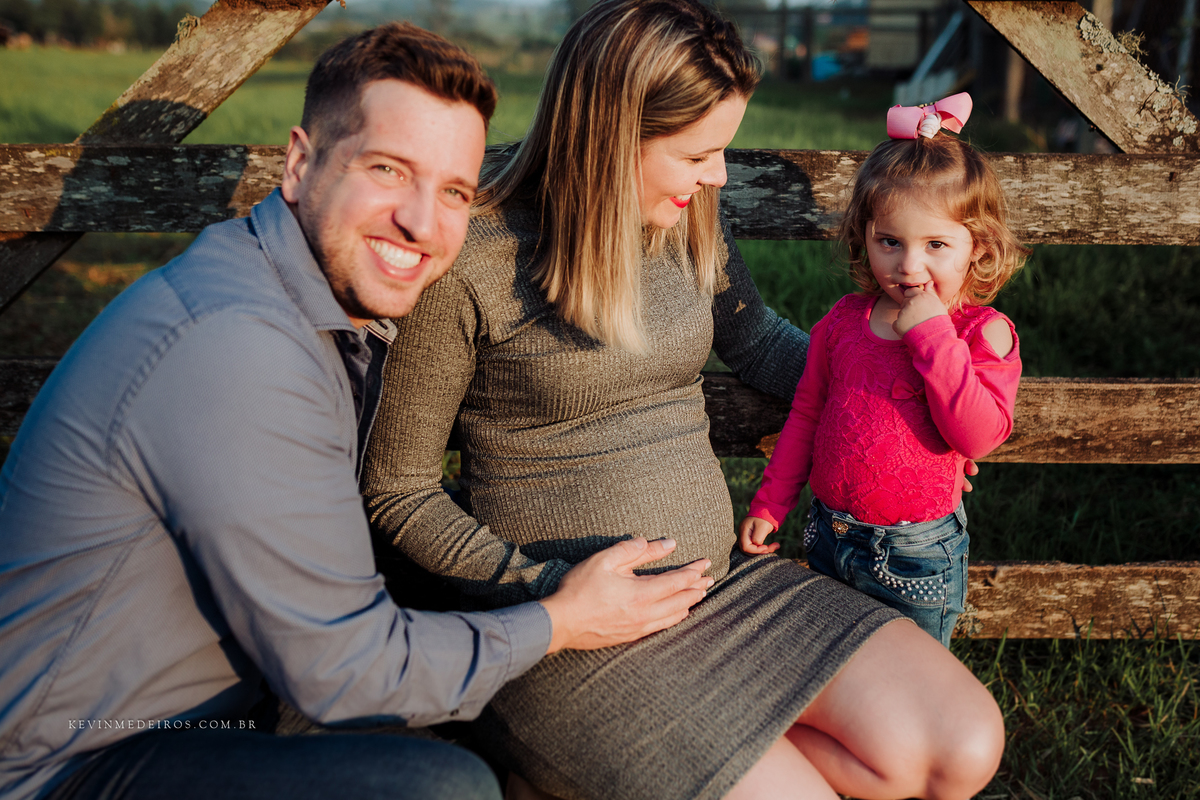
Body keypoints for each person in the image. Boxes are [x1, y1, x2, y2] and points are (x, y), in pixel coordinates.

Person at [0, 23, 713, 800]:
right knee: (441, 790)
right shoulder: (236, 346)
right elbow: (342, 672)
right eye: (386, 169)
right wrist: (563, 620)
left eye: (453, 192)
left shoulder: (292, 296)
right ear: (300, 164)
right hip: (72, 758)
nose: (421, 222)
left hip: (208, 708)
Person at [360, 2, 1006, 799]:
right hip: (575, 635)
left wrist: (897, 421)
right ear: (614, 133)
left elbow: (762, 340)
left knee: (961, 746)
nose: (720, 177)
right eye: (700, 152)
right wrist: (545, 596)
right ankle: (556, 759)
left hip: (725, 589)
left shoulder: (690, 217)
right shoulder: (474, 262)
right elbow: (397, 489)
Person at [739, 93, 1028, 647]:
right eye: (889, 242)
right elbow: (807, 416)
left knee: (917, 675)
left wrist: (933, 337)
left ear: (977, 246)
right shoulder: (845, 322)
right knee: (832, 665)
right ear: (863, 236)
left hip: (917, 554)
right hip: (829, 534)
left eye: (936, 244)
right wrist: (771, 503)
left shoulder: (979, 334)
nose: (909, 265)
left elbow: (979, 436)